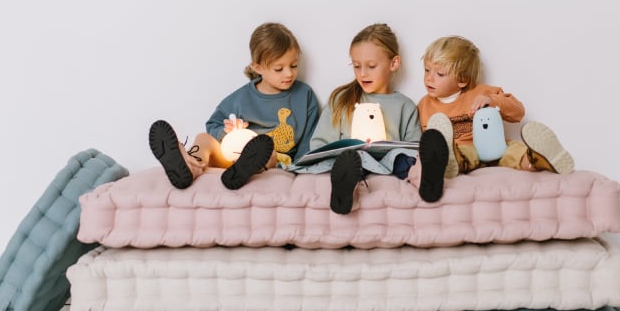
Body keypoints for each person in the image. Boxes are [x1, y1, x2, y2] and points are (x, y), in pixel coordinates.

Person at [291, 23, 447, 214]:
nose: (363, 73)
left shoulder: (404, 106)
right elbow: (319, 144)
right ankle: (346, 191)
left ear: (393, 64)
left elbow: (412, 147)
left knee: (403, 159)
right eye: (356, 66)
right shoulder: (341, 99)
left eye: (371, 66)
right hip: (351, 161)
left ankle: (424, 180)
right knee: (350, 160)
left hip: (389, 162)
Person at [148, 22, 320, 190]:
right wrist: (227, 132)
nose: (289, 73)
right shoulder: (240, 99)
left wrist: (299, 168)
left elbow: (308, 142)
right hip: (232, 158)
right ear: (257, 67)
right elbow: (212, 125)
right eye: (279, 69)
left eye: (294, 65)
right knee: (203, 138)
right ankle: (190, 166)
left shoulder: (304, 95)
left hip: (274, 160)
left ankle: (246, 169)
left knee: (267, 152)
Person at [407, 35, 574, 201]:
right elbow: (422, 139)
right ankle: (446, 163)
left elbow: (518, 112)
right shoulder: (424, 105)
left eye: (440, 74)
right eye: (427, 70)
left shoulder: (482, 92)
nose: (429, 78)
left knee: (515, 151)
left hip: (496, 146)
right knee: (458, 155)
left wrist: (492, 101)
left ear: (462, 80)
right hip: (464, 152)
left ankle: (541, 159)